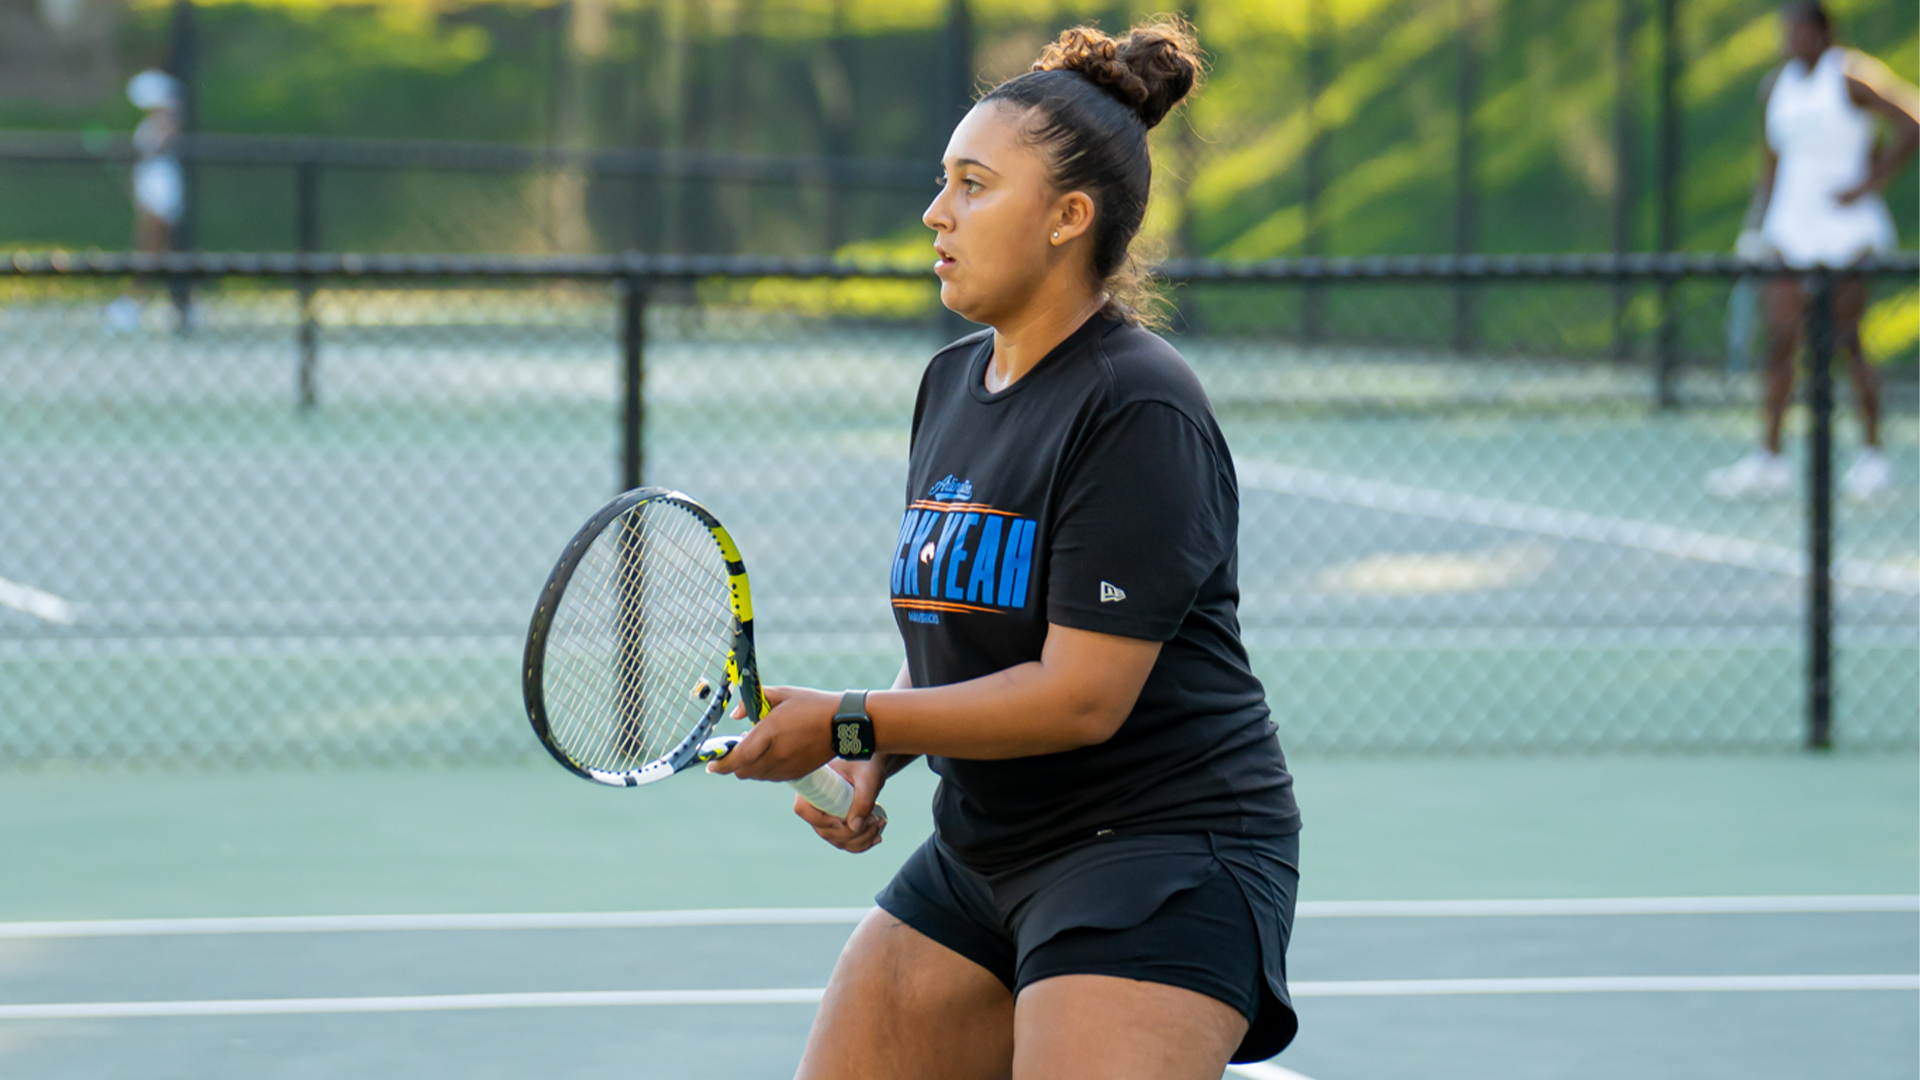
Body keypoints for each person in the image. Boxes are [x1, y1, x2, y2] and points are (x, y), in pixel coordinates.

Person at [706, 19, 1303, 1080]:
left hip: (1158, 854)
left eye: (974, 185)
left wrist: (849, 716)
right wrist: (872, 748)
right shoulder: (951, 384)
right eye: (944, 181)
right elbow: (959, 642)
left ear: (1070, 216)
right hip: (984, 855)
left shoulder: (1138, 406)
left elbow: (1082, 697)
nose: (937, 211)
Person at [1707, 2, 1918, 500]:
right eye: (1786, 30)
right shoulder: (1775, 89)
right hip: (1788, 231)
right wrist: (1758, 227)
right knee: (1780, 339)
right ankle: (1770, 458)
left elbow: (1912, 122)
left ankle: (1872, 458)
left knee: (1848, 339)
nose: (1791, 39)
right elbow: (1770, 167)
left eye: (1800, 30)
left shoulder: (1851, 76)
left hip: (1846, 232)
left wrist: (1869, 184)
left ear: (1823, 33)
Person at [105, 69, 187, 333]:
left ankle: (134, 305)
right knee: (160, 253)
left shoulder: (165, 124)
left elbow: (165, 138)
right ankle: (170, 305)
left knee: (151, 252)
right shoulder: (150, 125)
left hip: (162, 198)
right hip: (150, 196)